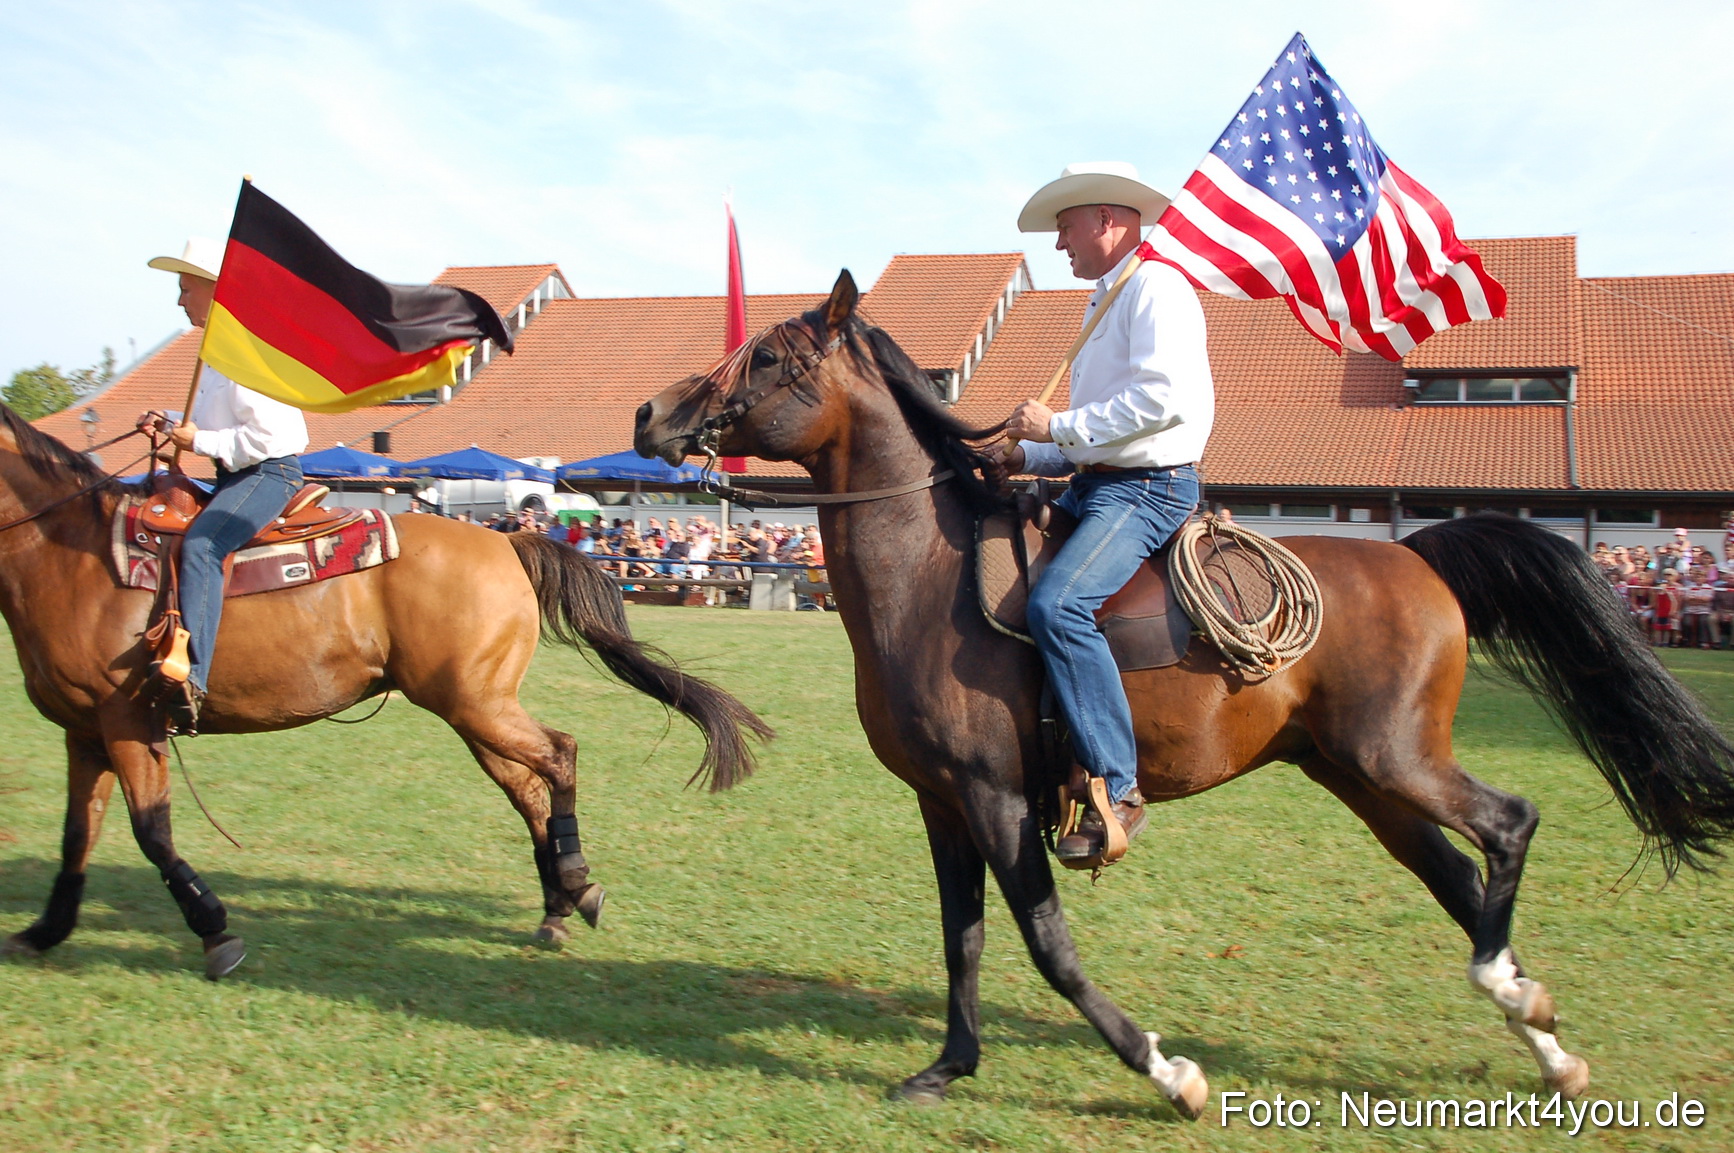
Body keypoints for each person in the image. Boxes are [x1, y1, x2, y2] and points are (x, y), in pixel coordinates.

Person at [998, 162, 1214, 864]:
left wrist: (1053, 426)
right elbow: (1095, 438)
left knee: (1058, 606)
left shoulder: (1157, 287)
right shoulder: (1107, 297)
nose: (1059, 243)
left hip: (1148, 489)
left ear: (1104, 220)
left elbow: (1162, 402)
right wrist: (1024, 458)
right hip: (1099, 483)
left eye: (1065, 227)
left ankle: (1119, 787)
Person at [136, 238, 309, 731]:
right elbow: (206, 420)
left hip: (268, 473)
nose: (178, 300)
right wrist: (169, 421)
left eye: (185, 287)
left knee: (203, 545)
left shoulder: (245, 354)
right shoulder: (214, 354)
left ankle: (193, 679)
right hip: (239, 472)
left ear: (214, 290)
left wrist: (196, 441)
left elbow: (270, 437)